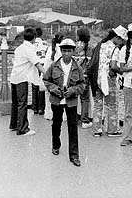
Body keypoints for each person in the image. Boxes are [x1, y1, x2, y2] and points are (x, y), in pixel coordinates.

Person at [43, 38, 85, 167]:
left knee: (72, 127)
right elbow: (46, 80)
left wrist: (73, 90)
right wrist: (54, 89)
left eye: (69, 51)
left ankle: (74, 155)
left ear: (73, 52)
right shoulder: (54, 66)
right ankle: (56, 144)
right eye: (64, 51)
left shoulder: (77, 68)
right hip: (57, 100)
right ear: (61, 51)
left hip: (71, 101)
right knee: (56, 123)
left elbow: (82, 84)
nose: (67, 54)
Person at [88, 25, 128, 137]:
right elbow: (114, 66)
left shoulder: (100, 45)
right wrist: (122, 72)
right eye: (121, 40)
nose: (121, 43)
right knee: (112, 105)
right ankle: (112, 129)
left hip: (96, 78)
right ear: (116, 38)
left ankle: (97, 130)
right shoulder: (114, 49)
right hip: (108, 79)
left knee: (97, 104)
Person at [9, 27, 45, 136]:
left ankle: (14, 124)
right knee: (22, 103)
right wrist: (48, 74)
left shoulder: (19, 48)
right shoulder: (29, 49)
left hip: (14, 77)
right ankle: (23, 129)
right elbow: (37, 64)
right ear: (34, 38)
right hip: (21, 79)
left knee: (15, 103)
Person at [43, 32, 64, 120]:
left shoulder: (49, 49)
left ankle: (48, 114)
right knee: (60, 96)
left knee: (48, 96)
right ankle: (61, 115)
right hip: (58, 77)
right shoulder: (62, 50)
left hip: (49, 76)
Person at [76, 27, 92, 129]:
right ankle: (84, 120)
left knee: (73, 97)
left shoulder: (75, 46)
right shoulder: (90, 48)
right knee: (85, 99)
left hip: (74, 75)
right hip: (85, 76)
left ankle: (73, 118)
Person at [32, 27, 47, 115]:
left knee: (34, 87)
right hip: (43, 65)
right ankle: (41, 108)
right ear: (41, 34)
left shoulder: (32, 44)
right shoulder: (44, 43)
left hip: (34, 66)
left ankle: (35, 107)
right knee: (42, 87)